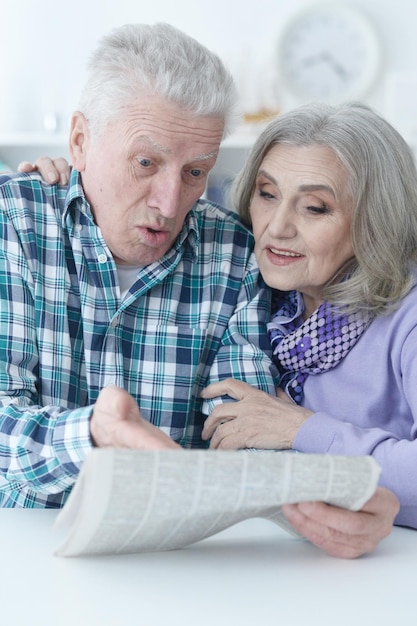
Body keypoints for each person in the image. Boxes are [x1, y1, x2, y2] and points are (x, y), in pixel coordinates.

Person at [13, 30, 399, 558]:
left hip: (181, 562)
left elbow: (244, 432)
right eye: (145, 163)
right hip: (21, 546)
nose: (172, 204)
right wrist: (94, 436)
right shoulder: (15, 224)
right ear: (79, 142)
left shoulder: (234, 251)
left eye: (197, 172)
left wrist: (333, 503)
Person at [196, 101, 415, 532]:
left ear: (376, 220)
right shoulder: (261, 291)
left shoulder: (407, 314)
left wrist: (302, 429)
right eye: (267, 193)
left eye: (314, 208)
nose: (277, 227)